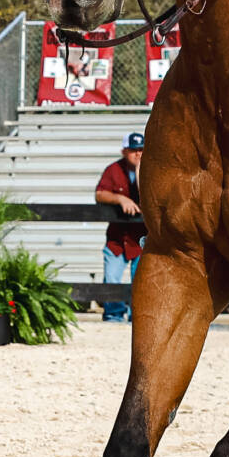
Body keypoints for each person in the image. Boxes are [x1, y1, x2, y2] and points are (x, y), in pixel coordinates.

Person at [93, 133, 146, 324]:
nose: (138, 154)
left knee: (141, 282)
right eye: (133, 150)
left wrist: (141, 171)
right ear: (124, 151)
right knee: (112, 280)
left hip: (140, 239)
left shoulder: (151, 171)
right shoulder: (113, 169)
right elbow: (99, 194)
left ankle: (137, 317)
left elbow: (147, 196)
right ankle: (113, 315)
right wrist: (120, 198)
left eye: (141, 149)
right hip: (117, 238)